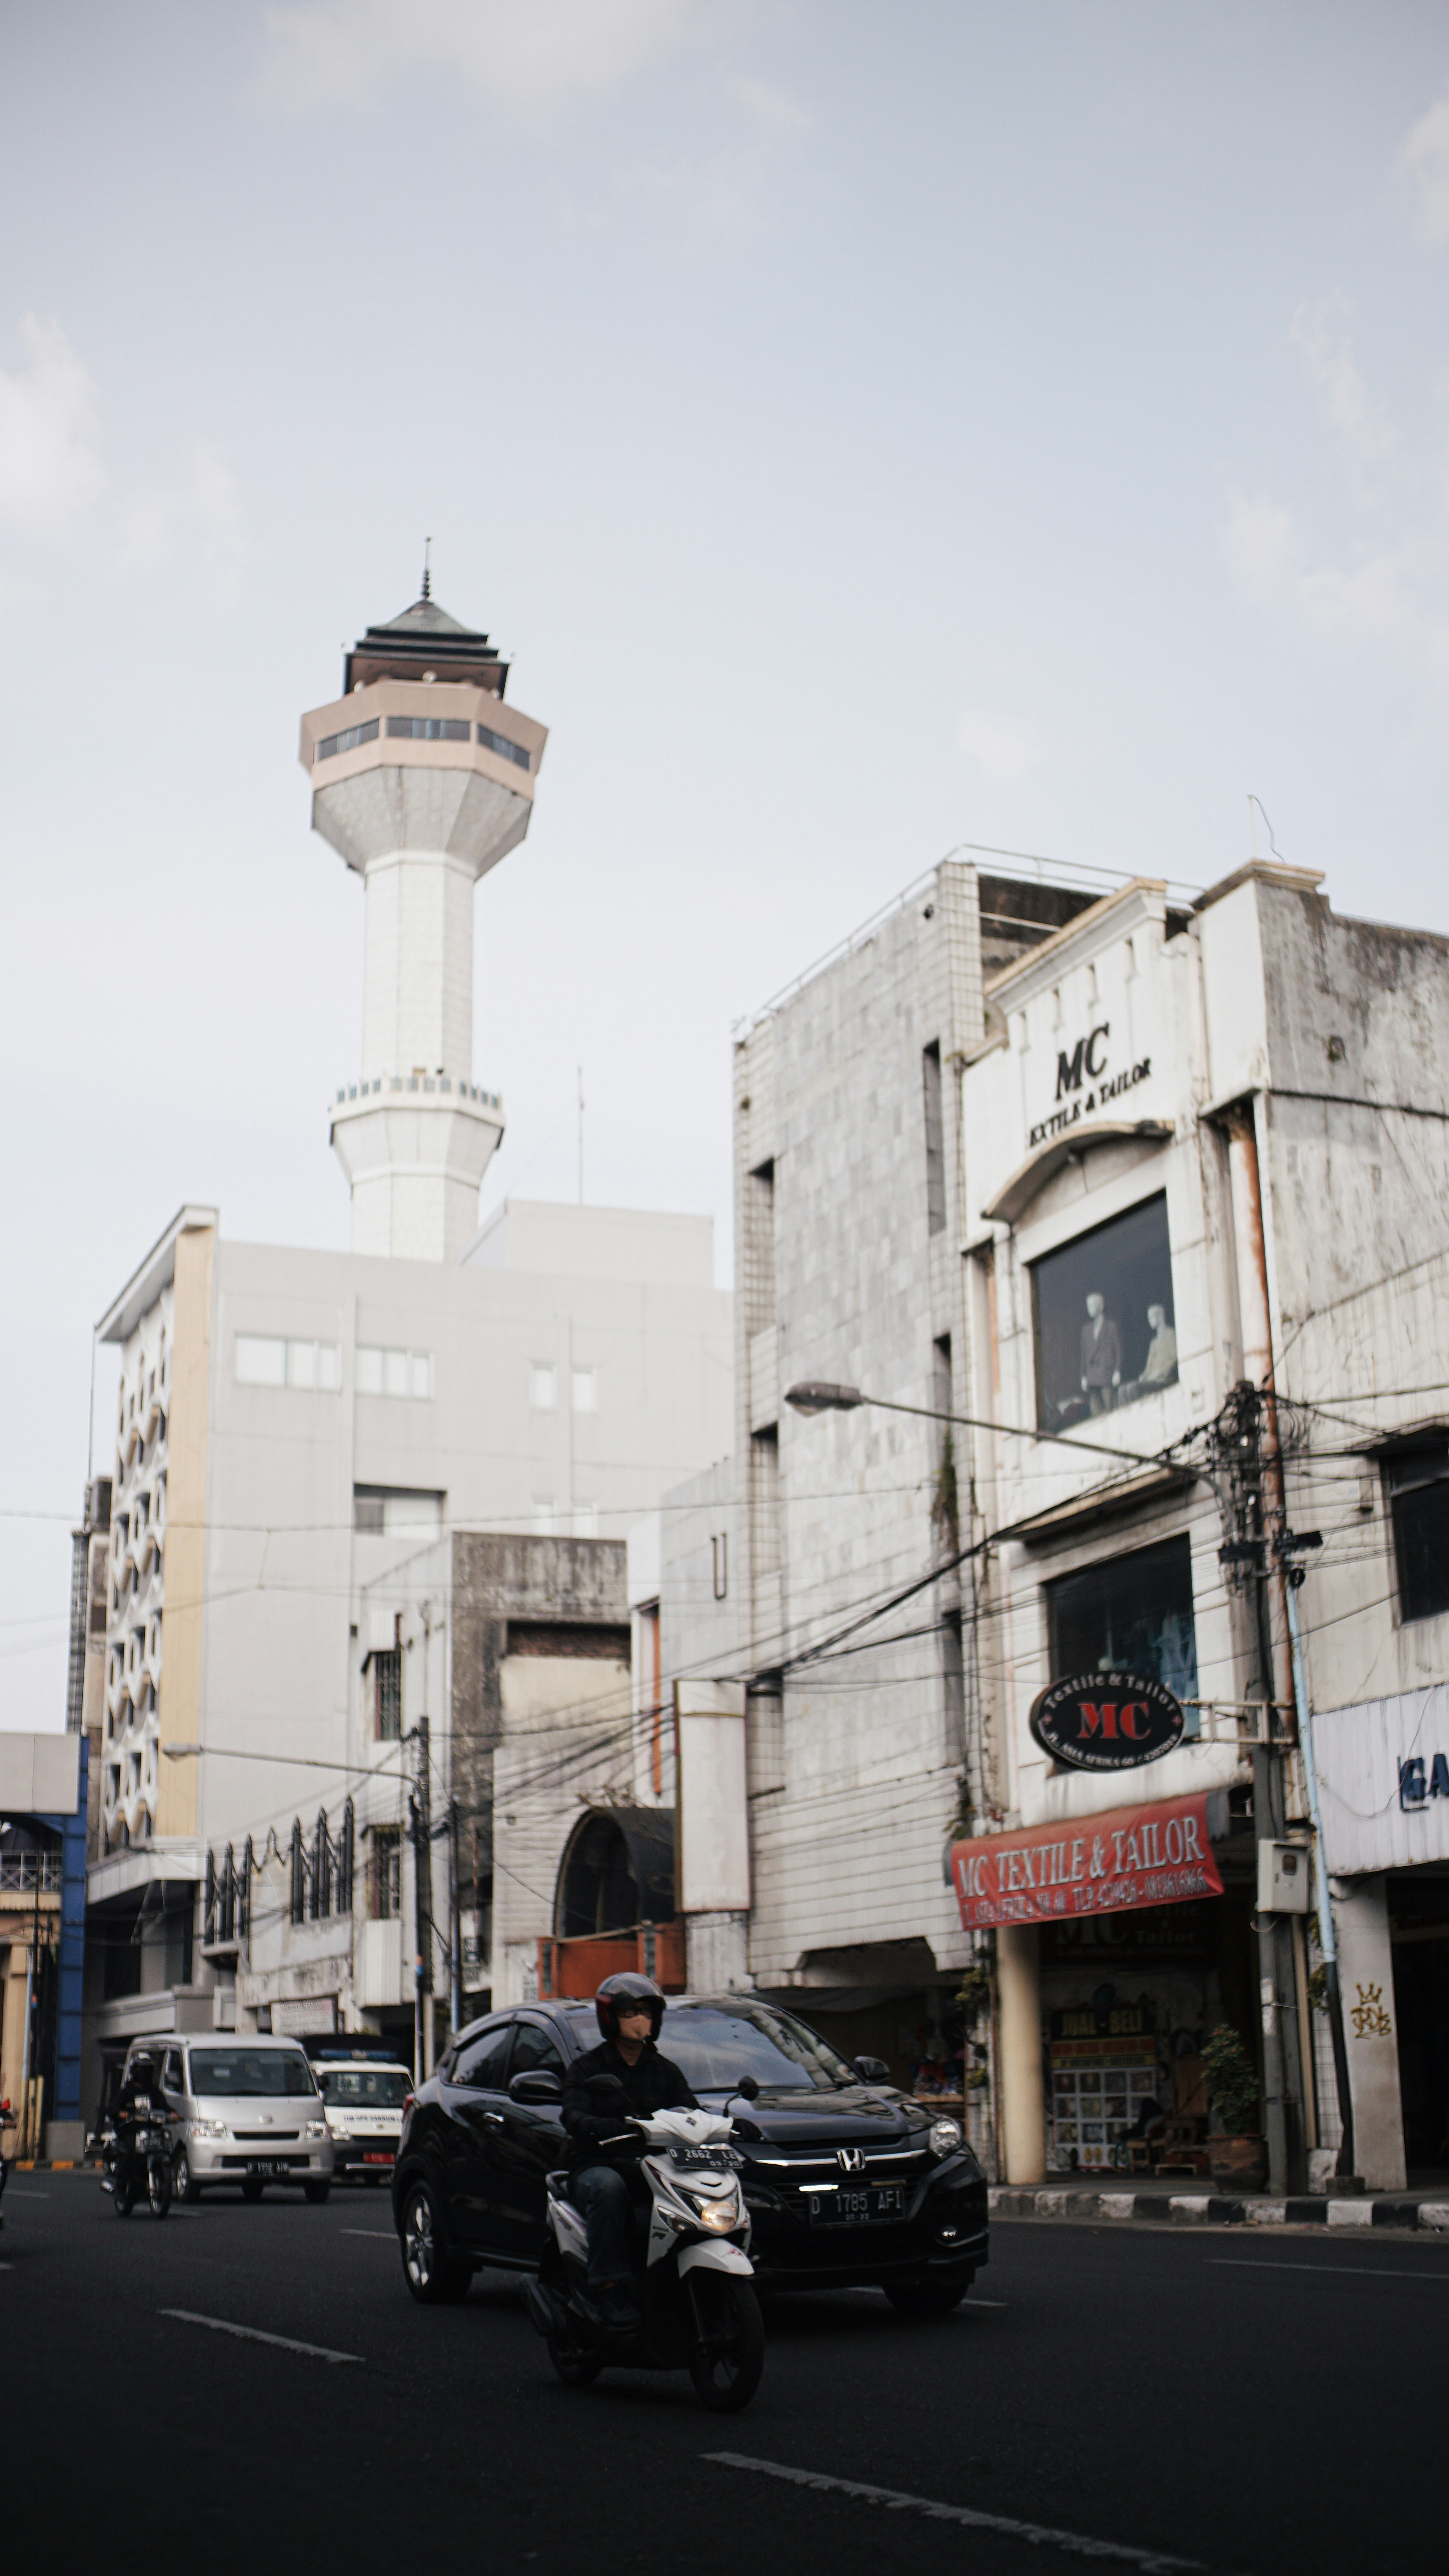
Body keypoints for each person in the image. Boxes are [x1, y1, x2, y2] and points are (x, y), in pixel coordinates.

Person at [561, 1972, 697, 2326]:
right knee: (609, 2189)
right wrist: (598, 2125)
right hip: (596, 2165)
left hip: (650, 2166)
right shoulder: (588, 2068)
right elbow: (572, 2114)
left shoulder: (666, 2071)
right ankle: (609, 2289)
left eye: (647, 2012)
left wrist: (726, 2125)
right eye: (631, 2012)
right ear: (611, 2018)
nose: (640, 2020)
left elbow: (690, 2111)